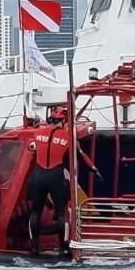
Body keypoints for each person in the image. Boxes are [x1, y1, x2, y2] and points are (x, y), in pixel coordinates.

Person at [26, 109, 97, 256]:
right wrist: (95, 171)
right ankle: (63, 248)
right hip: (55, 177)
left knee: (35, 213)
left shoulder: (37, 133)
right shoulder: (68, 137)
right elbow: (83, 158)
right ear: (63, 121)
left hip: (38, 176)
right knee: (61, 214)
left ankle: (34, 248)